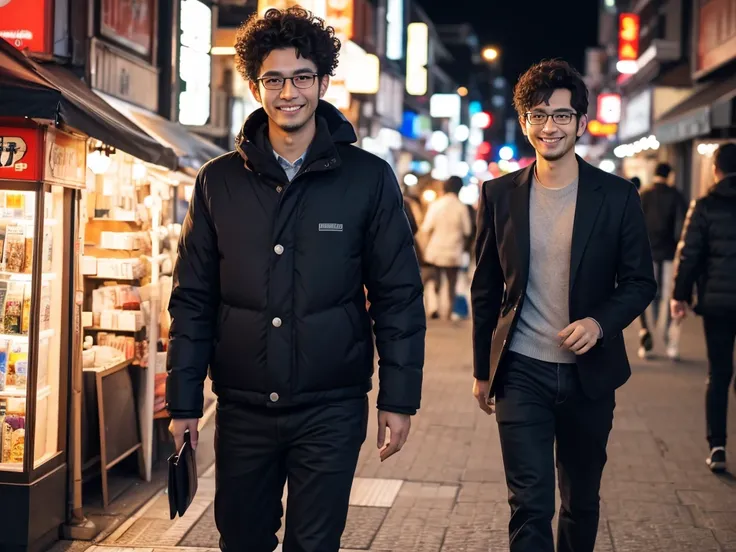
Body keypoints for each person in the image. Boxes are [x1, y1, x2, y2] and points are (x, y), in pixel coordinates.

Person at [165, 7, 425, 551]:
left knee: (315, 543)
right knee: (241, 538)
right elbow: (192, 299)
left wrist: (398, 399)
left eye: (302, 77)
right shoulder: (219, 181)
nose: (289, 92)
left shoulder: (367, 178)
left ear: (324, 82)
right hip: (243, 405)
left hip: (331, 405)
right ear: (256, 85)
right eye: (274, 79)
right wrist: (185, 401)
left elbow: (398, 295)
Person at [471, 59, 656, 552]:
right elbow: (486, 286)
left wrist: (600, 322)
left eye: (560, 115)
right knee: (529, 503)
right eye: (536, 115)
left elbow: (640, 281)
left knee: (582, 500)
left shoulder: (616, 196)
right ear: (525, 121)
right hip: (521, 371)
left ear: (579, 121)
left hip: (588, 374)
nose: (548, 126)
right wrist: (481, 369)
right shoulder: (499, 194)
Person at [671, 142, 736, 473]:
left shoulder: (706, 205)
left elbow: (689, 254)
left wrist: (679, 295)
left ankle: (718, 446)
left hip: (718, 303)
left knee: (719, 372)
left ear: (715, 168)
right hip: (719, 302)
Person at [638, 162, 687, 360]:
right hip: (669, 254)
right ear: (670, 175)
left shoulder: (644, 195)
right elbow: (682, 226)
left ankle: (646, 337)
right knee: (669, 297)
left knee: (646, 296)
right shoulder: (676, 196)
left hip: (647, 254)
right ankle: (670, 341)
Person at [420, 176, 472, 319]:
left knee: (435, 280)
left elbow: (426, 227)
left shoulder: (436, 204)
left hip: (436, 250)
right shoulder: (461, 207)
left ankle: (434, 307)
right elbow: (467, 230)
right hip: (453, 251)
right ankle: (448, 313)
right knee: (452, 283)